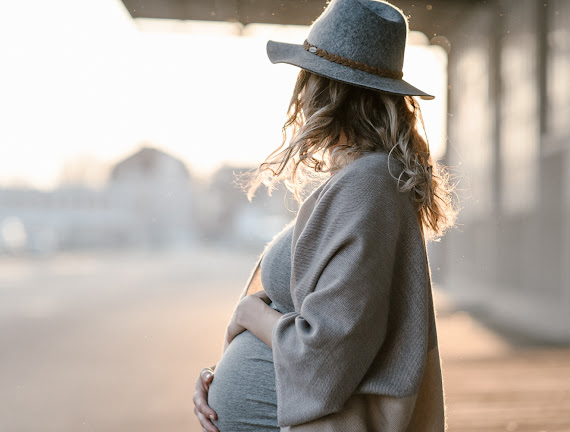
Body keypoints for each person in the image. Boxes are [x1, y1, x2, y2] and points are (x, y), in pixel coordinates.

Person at [193, 0, 458, 430]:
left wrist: (250, 315)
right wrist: (224, 375)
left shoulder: (371, 187)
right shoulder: (362, 180)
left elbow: (326, 358)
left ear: (323, 88)